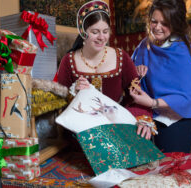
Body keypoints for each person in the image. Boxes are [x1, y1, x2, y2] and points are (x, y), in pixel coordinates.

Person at [54, 0, 153, 139]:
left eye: (105, 31)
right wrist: (74, 93)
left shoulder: (121, 57)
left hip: (117, 129)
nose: (102, 37)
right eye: (95, 32)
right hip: (82, 132)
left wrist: (142, 120)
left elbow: (136, 97)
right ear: (83, 32)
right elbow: (59, 103)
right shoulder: (68, 61)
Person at [130, 0, 191, 153]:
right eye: (154, 21)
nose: (157, 27)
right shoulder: (144, 45)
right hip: (147, 115)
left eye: (164, 23)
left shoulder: (184, 53)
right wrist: (136, 70)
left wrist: (152, 102)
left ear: (176, 24)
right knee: (144, 167)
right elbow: (129, 75)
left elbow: (186, 97)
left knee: (171, 169)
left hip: (176, 119)